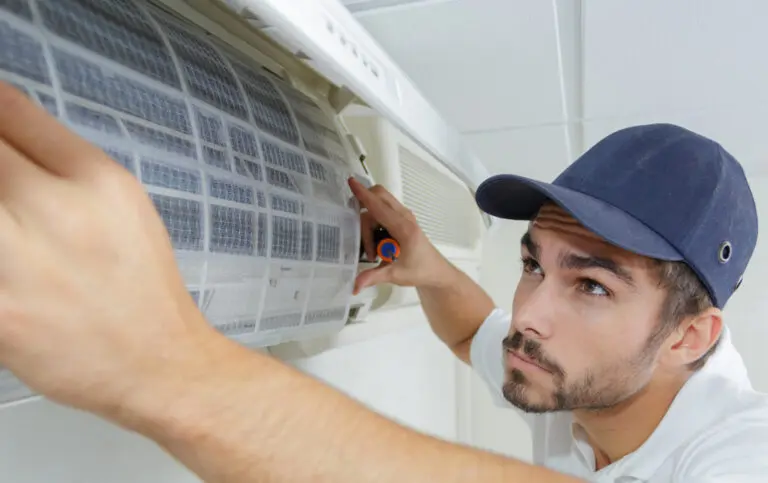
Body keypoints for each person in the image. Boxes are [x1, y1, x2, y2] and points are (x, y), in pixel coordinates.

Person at [0, 80, 765, 483]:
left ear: (689, 336)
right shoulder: (571, 370)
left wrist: (167, 367)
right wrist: (426, 267)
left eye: (592, 286)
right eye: (535, 262)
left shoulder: (738, 447)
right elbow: (477, 330)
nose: (531, 312)